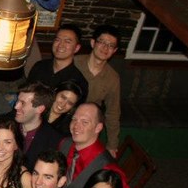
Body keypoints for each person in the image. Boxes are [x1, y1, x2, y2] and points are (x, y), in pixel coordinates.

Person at [58, 103, 144, 188]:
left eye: (85, 122)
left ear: (98, 128)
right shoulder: (64, 144)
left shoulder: (107, 168)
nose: (76, 126)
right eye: (74, 119)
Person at [74, 24, 123, 156]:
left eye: (111, 45)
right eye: (102, 42)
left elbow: (113, 113)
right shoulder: (74, 63)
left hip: (88, 127)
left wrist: (112, 145)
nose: (105, 48)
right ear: (93, 43)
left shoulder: (113, 78)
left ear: (114, 51)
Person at [27, 24, 89, 101]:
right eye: (57, 40)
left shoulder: (79, 82)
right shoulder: (39, 66)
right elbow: (26, 93)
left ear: (76, 48)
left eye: (67, 41)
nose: (60, 45)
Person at [13, 81, 63, 171]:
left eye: (23, 103)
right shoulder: (5, 123)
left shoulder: (54, 140)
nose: (16, 106)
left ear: (40, 108)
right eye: (17, 101)